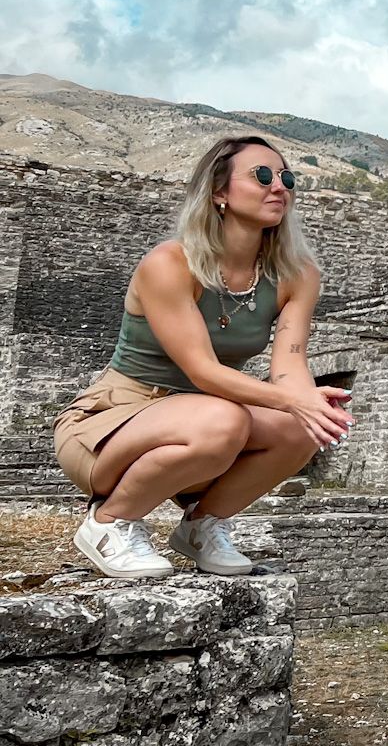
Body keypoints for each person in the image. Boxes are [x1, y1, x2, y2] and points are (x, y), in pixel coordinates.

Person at [51, 135, 355, 577]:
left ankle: (202, 525)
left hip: (206, 423)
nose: (279, 187)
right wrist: (293, 400)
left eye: (286, 178)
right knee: (227, 420)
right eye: (262, 176)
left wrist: (309, 406)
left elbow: (290, 367)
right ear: (218, 192)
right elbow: (202, 370)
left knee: (301, 429)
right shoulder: (171, 263)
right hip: (113, 421)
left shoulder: (298, 274)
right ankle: (108, 523)